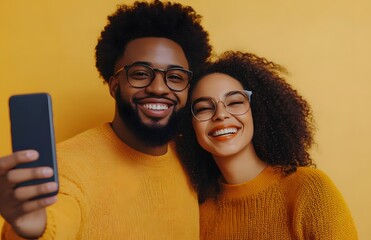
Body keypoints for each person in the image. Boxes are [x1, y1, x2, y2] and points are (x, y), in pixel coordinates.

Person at [0, 1, 212, 239]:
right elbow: (54, 220)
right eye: (140, 74)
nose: (159, 88)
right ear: (114, 85)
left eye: (175, 76)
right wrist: (31, 230)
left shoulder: (190, 157)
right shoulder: (67, 167)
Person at [175, 51, 358, 239]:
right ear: (190, 125)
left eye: (235, 102)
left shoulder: (309, 190)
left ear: (256, 111)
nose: (221, 114)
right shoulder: (198, 211)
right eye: (204, 108)